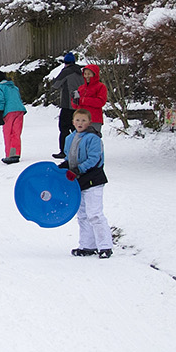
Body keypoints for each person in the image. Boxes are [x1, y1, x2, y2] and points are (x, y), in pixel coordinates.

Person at [64, 107, 111, 258]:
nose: (80, 123)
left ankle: (105, 246)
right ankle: (87, 245)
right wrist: (64, 167)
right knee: (82, 214)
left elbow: (94, 158)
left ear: (89, 122)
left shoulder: (94, 139)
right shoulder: (69, 138)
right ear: (73, 122)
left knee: (94, 214)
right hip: (78, 182)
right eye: (77, 120)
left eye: (83, 120)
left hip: (93, 179)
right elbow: (68, 158)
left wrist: (78, 169)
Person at [51, 53, 86, 157]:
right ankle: (79, 150)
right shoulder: (80, 72)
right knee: (77, 128)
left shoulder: (66, 72)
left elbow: (56, 84)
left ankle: (64, 151)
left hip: (67, 104)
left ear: (65, 63)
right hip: (79, 105)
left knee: (64, 128)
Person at [0, 72, 26, 164]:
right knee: (16, 133)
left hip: (9, 111)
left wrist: (0, 112)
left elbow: (1, 100)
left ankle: (10, 155)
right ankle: (16, 153)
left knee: (8, 133)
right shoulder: (14, 87)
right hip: (20, 110)